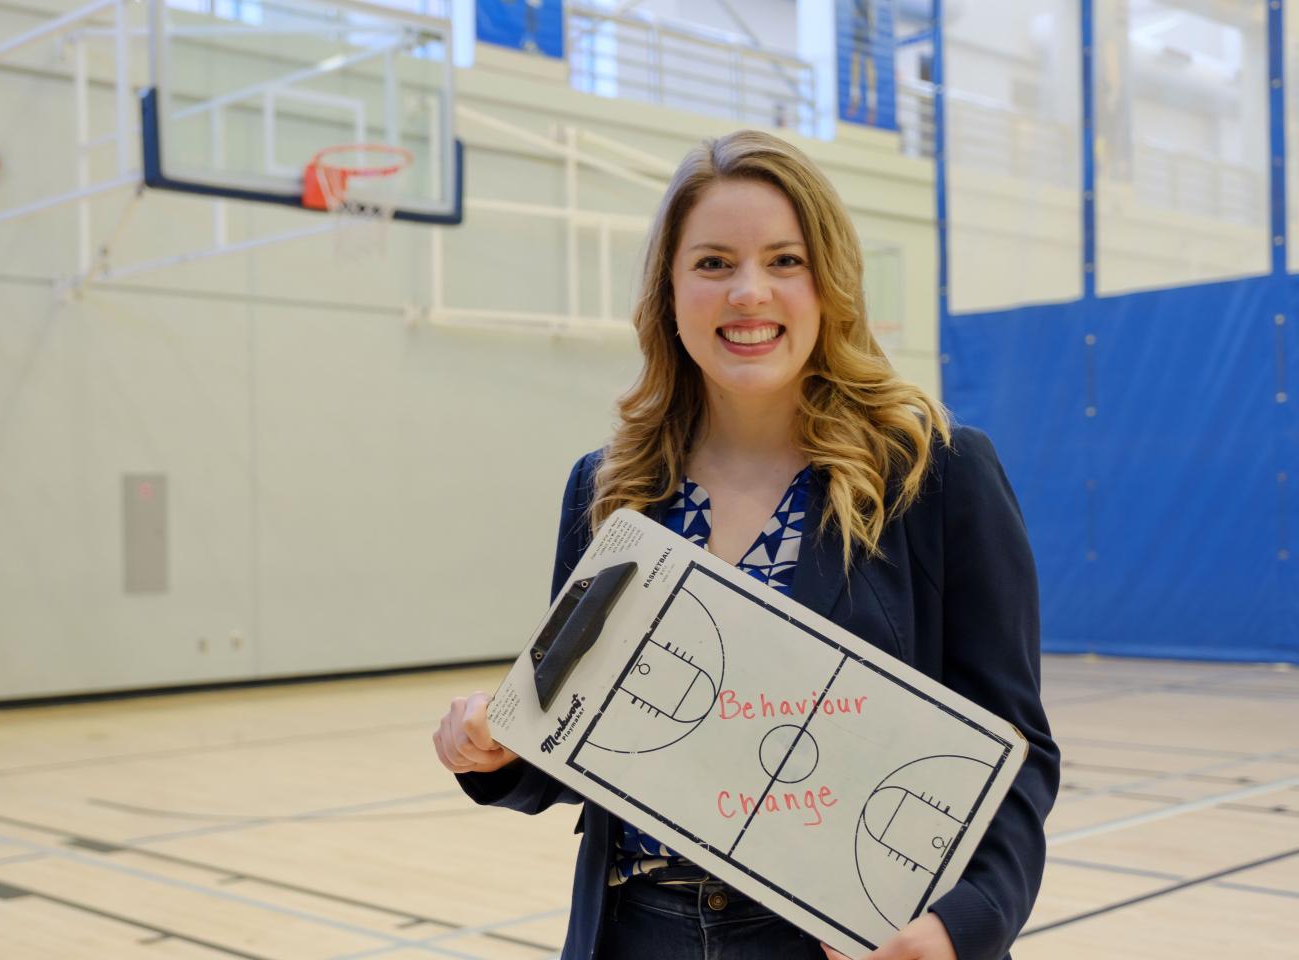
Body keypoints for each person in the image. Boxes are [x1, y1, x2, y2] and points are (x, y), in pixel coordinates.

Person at [432, 129, 1058, 960]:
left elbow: (1016, 752)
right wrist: (492, 745)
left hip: (840, 943)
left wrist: (959, 927)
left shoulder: (935, 473)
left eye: (784, 261)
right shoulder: (610, 486)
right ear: (669, 292)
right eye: (714, 263)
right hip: (634, 931)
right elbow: (568, 740)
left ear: (829, 282)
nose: (748, 293)